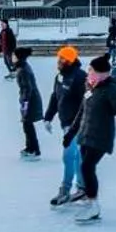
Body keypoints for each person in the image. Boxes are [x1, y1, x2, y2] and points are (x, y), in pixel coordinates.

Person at [65, 54, 116, 223]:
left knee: (87, 167)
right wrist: (71, 132)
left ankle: (93, 206)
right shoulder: (90, 87)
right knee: (87, 168)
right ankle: (90, 198)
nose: (88, 72)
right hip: (86, 133)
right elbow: (81, 111)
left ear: (100, 73)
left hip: (101, 135)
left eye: (91, 69)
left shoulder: (110, 90)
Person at [44, 46, 87, 204]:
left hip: (78, 125)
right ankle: (82, 188)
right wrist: (48, 117)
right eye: (58, 58)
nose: (59, 61)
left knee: (69, 156)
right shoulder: (60, 77)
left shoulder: (80, 77)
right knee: (76, 157)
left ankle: (66, 190)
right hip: (66, 124)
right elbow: (55, 97)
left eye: (62, 59)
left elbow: (87, 102)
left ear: (70, 61)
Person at [15, 46, 44, 159]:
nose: (12, 57)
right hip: (29, 99)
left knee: (27, 124)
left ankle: (33, 149)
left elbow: (27, 88)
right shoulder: (22, 67)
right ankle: (31, 147)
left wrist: (25, 103)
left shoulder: (24, 70)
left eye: (14, 55)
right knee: (27, 124)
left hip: (30, 101)